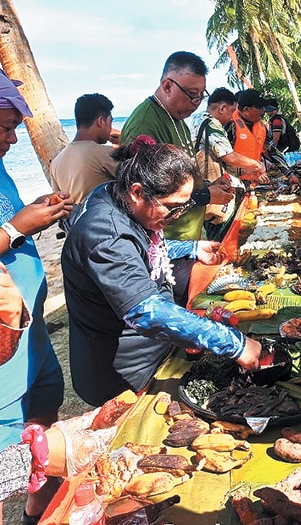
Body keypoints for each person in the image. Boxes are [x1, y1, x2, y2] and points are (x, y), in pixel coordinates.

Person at [62, 138, 261, 407]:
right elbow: (146, 312)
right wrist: (233, 343)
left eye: (183, 206)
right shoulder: (105, 234)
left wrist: (190, 248)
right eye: (172, 207)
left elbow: (143, 247)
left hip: (155, 353)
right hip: (124, 372)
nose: (177, 216)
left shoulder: (115, 194)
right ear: (137, 192)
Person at [0, 70, 73, 525]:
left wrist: (35, 211)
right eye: (5, 128)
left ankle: (36, 512)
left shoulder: (0, 164)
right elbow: (9, 227)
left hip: (33, 331)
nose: (13, 139)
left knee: (43, 418)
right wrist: (15, 228)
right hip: (3, 342)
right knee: (3, 449)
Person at [0, 269, 118, 503]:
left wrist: (12, 320)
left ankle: (38, 508)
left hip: (33, 349)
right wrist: (32, 459)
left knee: (44, 407)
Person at [120, 51, 234, 245]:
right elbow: (146, 200)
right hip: (166, 243)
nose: (196, 104)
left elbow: (178, 180)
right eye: (192, 95)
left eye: (201, 96)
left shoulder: (178, 118)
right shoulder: (144, 126)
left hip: (188, 236)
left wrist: (208, 186)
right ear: (167, 86)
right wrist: (206, 195)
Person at [195, 88, 266, 239]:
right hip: (214, 188)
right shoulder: (211, 124)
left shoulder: (197, 118)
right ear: (222, 108)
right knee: (222, 234)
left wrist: (244, 171)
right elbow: (228, 156)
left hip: (203, 186)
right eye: (231, 111)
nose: (232, 116)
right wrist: (256, 165)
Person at [50, 93, 120, 219]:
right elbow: (140, 179)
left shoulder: (56, 162)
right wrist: (123, 142)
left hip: (77, 226)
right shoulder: (104, 153)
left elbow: (60, 203)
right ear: (101, 121)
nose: (110, 129)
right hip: (106, 223)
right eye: (110, 122)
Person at [225, 89, 301, 187]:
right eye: (259, 107)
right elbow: (222, 158)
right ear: (246, 109)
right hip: (233, 183)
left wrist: (289, 174)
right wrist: (243, 171)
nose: (263, 111)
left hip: (254, 182)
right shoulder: (231, 125)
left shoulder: (261, 127)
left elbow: (272, 151)